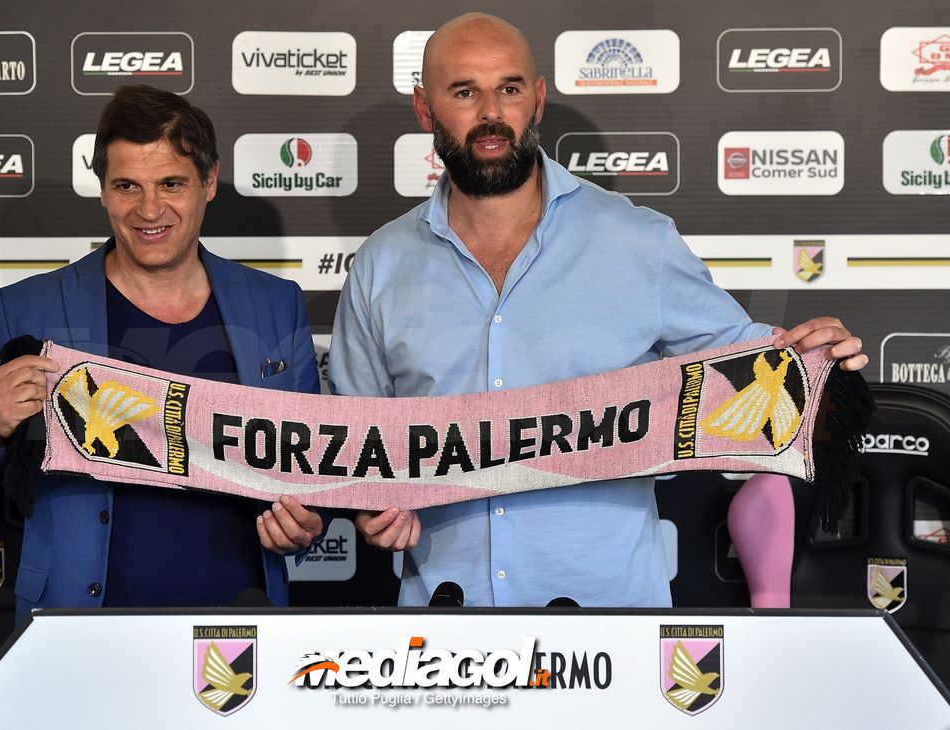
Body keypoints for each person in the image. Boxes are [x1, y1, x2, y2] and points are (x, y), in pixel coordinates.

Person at [329, 13, 867, 608]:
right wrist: (370, 506)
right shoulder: (380, 265)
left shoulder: (640, 242)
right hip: (443, 632)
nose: (490, 113)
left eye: (508, 89)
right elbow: (355, 439)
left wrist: (817, 355)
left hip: (611, 630)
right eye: (464, 92)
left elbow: (751, 366)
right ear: (425, 109)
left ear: (536, 99)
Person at [0, 85, 325, 621]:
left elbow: (310, 476)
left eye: (171, 183)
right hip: (77, 630)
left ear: (208, 183)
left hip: (236, 627)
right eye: (127, 186)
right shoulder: (25, 309)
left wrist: (300, 526)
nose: (149, 209)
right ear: (103, 191)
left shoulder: (275, 306)